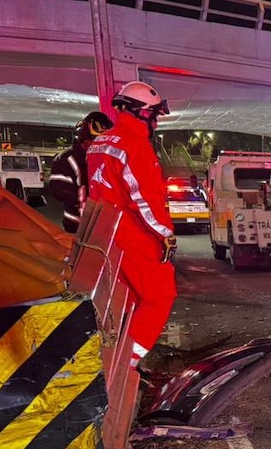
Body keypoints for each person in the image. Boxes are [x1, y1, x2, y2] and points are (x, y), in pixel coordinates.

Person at [86, 81, 177, 369]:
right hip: (133, 235)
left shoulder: (100, 143)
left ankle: (113, 357)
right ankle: (126, 363)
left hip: (104, 232)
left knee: (127, 299)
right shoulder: (134, 145)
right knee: (160, 296)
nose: (156, 122)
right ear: (144, 113)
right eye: (155, 115)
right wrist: (166, 234)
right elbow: (145, 198)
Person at [48, 111, 114, 233]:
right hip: (76, 225)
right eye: (96, 141)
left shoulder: (105, 157)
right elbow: (58, 190)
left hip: (103, 224)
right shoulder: (67, 158)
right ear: (86, 139)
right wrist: (81, 197)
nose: (100, 146)